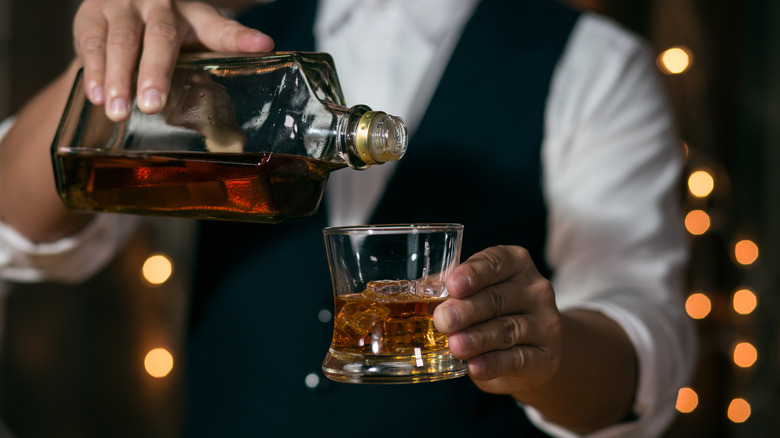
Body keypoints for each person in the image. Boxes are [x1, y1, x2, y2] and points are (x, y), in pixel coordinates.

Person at [0, 0, 696, 436]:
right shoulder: (227, 26)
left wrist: (543, 352)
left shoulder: (595, 65)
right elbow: (18, 231)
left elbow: (642, 353)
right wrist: (106, 66)